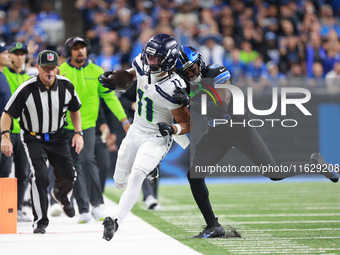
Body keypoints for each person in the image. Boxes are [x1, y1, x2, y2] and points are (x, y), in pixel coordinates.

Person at [173, 45, 339, 238]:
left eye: (192, 69)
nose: (190, 74)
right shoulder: (185, 84)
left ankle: (314, 165)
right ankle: (213, 226)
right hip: (216, 132)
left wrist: (189, 101)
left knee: (273, 173)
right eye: (185, 72)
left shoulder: (217, 72)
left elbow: (219, 109)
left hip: (239, 128)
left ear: (200, 63)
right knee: (194, 175)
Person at [98, 34, 191, 241]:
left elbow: (187, 123)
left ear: (168, 59)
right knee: (119, 181)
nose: (150, 61)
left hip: (157, 135)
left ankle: (115, 221)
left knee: (136, 176)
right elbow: (131, 75)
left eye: (156, 58)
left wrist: (174, 130)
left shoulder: (175, 87)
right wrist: (116, 79)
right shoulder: (142, 63)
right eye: (149, 56)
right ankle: (153, 168)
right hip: (136, 129)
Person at [0, 50, 83, 234]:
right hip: (33, 137)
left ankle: (61, 195)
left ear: (57, 68)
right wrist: (5, 136)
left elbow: (75, 110)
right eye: (45, 68)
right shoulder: (26, 88)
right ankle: (40, 222)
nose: (49, 72)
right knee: (40, 176)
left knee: (69, 175)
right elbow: (7, 114)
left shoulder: (66, 86)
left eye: (53, 68)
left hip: (58, 136)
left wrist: (78, 133)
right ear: (37, 68)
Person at [60, 36, 130, 223]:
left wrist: (124, 120)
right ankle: (83, 208)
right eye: (75, 48)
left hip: (88, 126)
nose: (80, 51)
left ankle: (97, 205)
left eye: (83, 47)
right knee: (73, 166)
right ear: (70, 51)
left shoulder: (97, 71)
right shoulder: (61, 71)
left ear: (87, 50)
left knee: (87, 160)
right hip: (63, 126)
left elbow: (110, 99)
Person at [3, 42, 31, 222]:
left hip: (25, 132)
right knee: (4, 171)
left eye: (22, 54)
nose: (19, 57)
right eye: (15, 54)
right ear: (9, 56)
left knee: (24, 172)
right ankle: (3, 209)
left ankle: (18, 208)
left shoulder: (29, 78)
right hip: (7, 131)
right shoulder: (3, 74)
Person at [0, 42, 12, 175]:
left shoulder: (3, 76)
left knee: (5, 173)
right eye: (4, 53)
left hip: (5, 132)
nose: (9, 56)